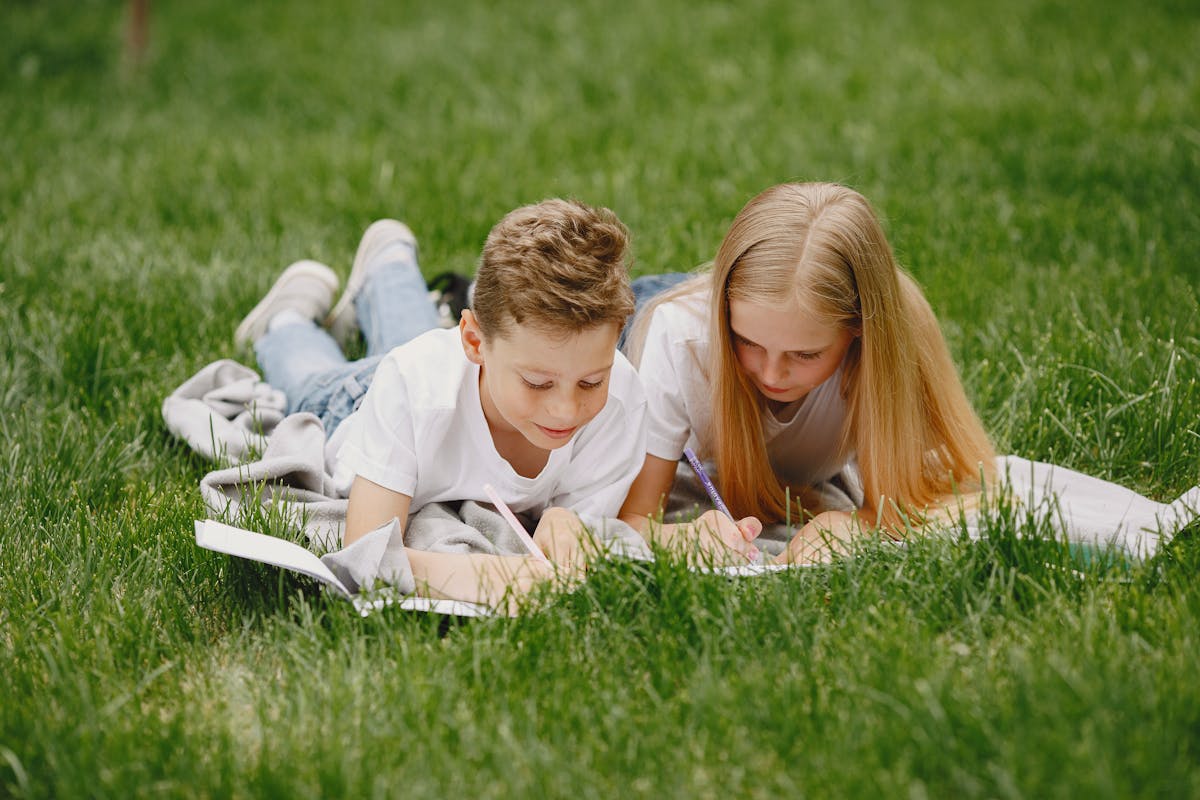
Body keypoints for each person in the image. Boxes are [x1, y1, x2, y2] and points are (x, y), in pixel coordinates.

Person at [234, 199, 646, 607]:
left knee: (409, 338)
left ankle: (388, 263)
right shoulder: (414, 386)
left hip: (432, 369)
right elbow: (366, 552)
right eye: (538, 383)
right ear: (473, 341)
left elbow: (574, 544)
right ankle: (287, 320)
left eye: (592, 382)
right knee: (308, 376)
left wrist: (568, 525)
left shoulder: (621, 404)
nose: (567, 409)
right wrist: (493, 578)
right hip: (355, 399)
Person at [617, 182, 996, 564]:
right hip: (642, 316)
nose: (773, 374)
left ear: (859, 329)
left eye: (805, 354)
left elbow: (902, 504)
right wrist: (681, 537)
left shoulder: (896, 341)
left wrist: (848, 524)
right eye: (747, 342)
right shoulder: (680, 339)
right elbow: (633, 519)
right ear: (726, 314)